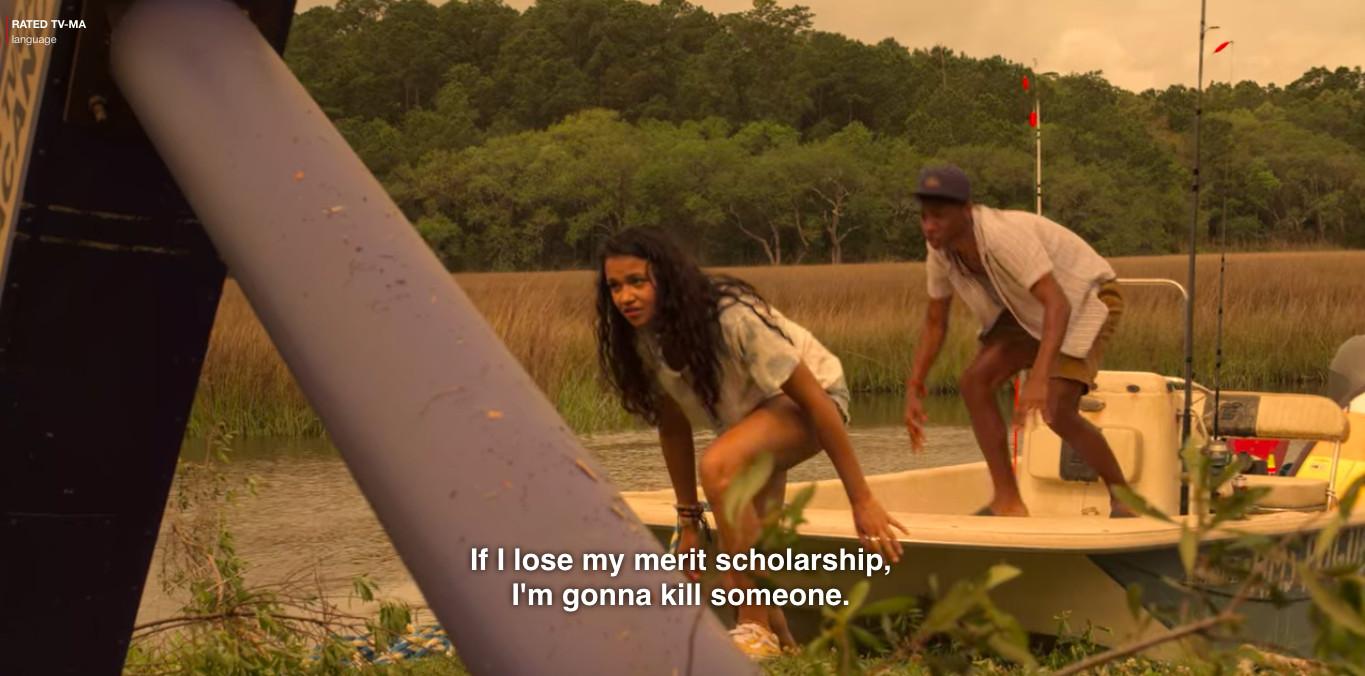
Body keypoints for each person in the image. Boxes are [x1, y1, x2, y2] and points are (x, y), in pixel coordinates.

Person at [595, 226, 906, 660]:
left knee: (719, 467)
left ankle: (753, 625)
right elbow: (673, 427)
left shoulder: (730, 318)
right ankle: (783, 646)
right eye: (615, 286)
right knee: (742, 546)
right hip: (751, 422)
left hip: (817, 401)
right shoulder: (644, 338)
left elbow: (817, 402)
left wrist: (862, 499)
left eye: (637, 281)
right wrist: (689, 523)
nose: (625, 297)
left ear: (665, 278)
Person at [902, 165, 1135, 518]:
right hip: (1027, 310)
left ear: (966, 210)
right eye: (924, 216)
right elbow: (936, 321)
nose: (929, 226)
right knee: (974, 382)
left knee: (1057, 409)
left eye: (939, 216)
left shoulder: (1001, 236)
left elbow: (1059, 304)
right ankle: (1008, 501)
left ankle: (1124, 499)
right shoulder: (941, 251)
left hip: (1086, 297)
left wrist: (1039, 378)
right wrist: (915, 386)